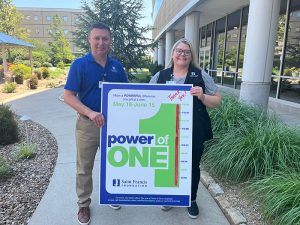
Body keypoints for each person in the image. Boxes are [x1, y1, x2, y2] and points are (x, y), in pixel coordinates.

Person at [64, 22, 128, 225]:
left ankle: (112, 195)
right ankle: (83, 204)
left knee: (115, 163)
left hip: (113, 126)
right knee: (84, 167)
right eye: (97, 38)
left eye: (105, 38)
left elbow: (126, 94)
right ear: (89, 40)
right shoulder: (79, 65)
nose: (101, 42)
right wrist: (91, 113)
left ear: (110, 41)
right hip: (87, 125)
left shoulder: (117, 66)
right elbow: (68, 96)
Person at [149, 38, 221, 219]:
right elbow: (147, 98)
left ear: (191, 56)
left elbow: (217, 101)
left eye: (186, 52)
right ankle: (169, 197)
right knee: (168, 164)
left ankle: (191, 199)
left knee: (192, 167)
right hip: (166, 130)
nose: (182, 54)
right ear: (172, 54)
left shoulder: (200, 75)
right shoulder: (160, 76)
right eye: (179, 51)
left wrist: (203, 96)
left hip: (193, 131)